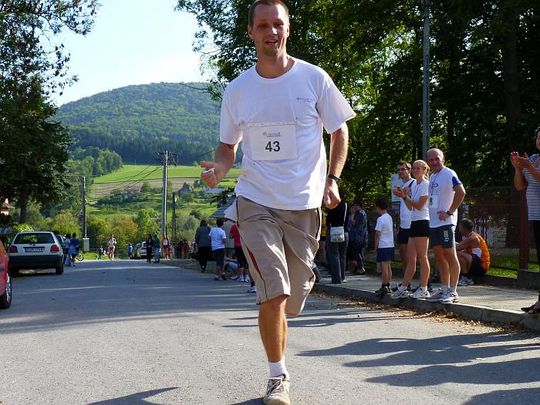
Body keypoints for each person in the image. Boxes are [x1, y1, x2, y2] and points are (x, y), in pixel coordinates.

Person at [199, 1, 355, 403]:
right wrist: (219, 168)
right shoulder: (238, 89)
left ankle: (286, 303)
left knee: (292, 301)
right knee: (274, 291)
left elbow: (339, 131)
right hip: (256, 201)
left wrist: (333, 180)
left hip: (304, 205)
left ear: (288, 28)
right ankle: (277, 377)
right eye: (263, 25)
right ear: (251, 32)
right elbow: (227, 146)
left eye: (278, 24)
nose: (272, 32)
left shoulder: (313, 78)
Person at [426, 148, 466, 304]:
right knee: (439, 256)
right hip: (434, 223)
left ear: (443, 159)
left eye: (437, 158)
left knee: (450, 254)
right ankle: (444, 289)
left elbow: (461, 191)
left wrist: (449, 212)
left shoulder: (449, 173)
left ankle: (453, 291)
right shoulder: (432, 176)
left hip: (446, 223)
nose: (434, 162)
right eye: (431, 160)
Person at [392, 160, 431, 299]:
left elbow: (419, 206)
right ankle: (404, 287)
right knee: (411, 257)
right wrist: (403, 196)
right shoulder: (415, 185)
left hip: (422, 222)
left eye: (418, 168)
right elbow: (410, 207)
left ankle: (424, 287)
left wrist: (404, 196)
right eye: (414, 168)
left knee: (422, 256)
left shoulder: (425, 185)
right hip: (413, 222)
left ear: (425, 170)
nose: (415, 170)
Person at [511, 126, 540, 314]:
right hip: (536, 215)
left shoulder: (532, 162)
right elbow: (519, 186)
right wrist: (518, 168)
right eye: (539, 137)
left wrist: (528, 166)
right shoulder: (534, 158)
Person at [392, 160, 414, 281]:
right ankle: (406, 283)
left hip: (413, 224)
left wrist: (406, 194)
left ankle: (425, 283)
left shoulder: (414, 183)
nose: (400, 172)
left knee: (413, 255)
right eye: (398, 170)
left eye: (403, 169)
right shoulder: (402, 186)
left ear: (409, 170)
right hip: (404, 225)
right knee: (403, 253)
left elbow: (416, 203)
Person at [456, 218, 490, 286]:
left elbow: (457, 247)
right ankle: (465, 277)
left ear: (464, 228)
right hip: (476, 262)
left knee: (457, 254)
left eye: (460, 228)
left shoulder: (472, 238)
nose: (459, 230)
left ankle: (467, 278)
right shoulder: (470, 236)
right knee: (460, 257)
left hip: (481, 266)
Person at [374, 197, 394, 297]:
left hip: (383, 245)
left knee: (384, 267)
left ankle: (384, 285)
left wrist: (375, 246)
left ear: (378, 207)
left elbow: (378, 234)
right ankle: (388, 284)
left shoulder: (380, 219)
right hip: (390, 244)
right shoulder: (389, 217)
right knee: (388, 266)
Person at [326, 199, 348, 284]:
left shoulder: (333, 205)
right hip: (344, 231)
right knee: (342, 255)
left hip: (334, 230)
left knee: (334, 254)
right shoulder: (346, 205)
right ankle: (342, 276)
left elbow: (328, 219)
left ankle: (336, 278)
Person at [347, 199, 368, 275]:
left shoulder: (359, 213)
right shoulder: (363, 213)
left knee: (357, 252)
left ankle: (361, 267)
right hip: (361, 236)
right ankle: (360, 267)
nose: (354, 207)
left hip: (358, 236)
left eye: (355, 205)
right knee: (359, 252)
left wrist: (352, 214)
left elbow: (354, 223)